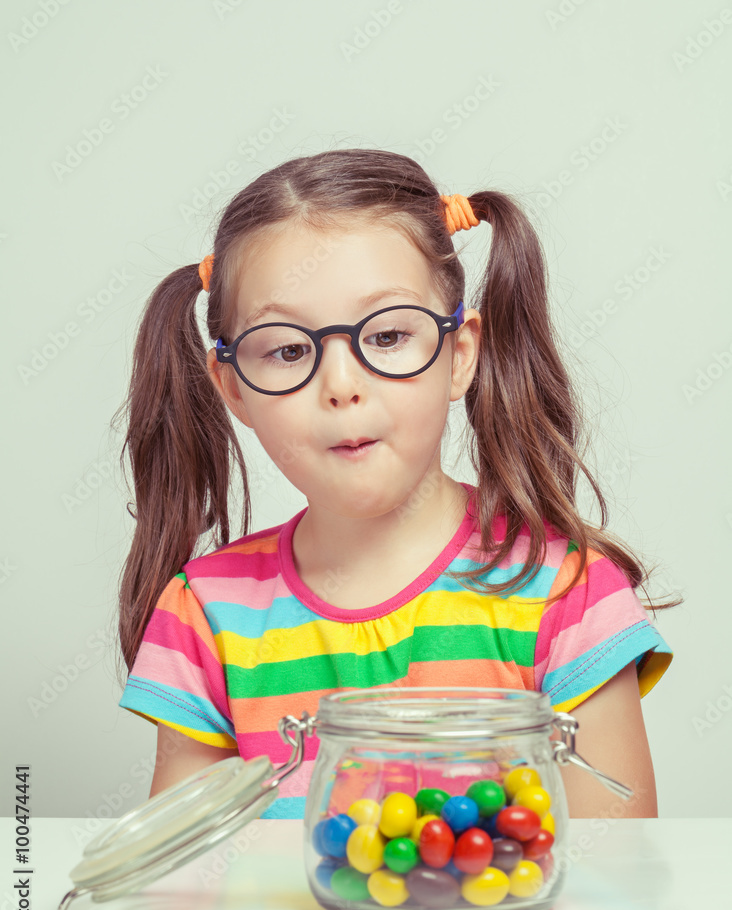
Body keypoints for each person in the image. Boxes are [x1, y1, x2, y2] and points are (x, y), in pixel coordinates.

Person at [113, 148, 680, 820]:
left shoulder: (568, 595)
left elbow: (616, 877)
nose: (342, 387)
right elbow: (186, 886)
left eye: (386, 336)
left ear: (459, 355)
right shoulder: (205, 615)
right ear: (233, 386)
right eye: (288, 349)